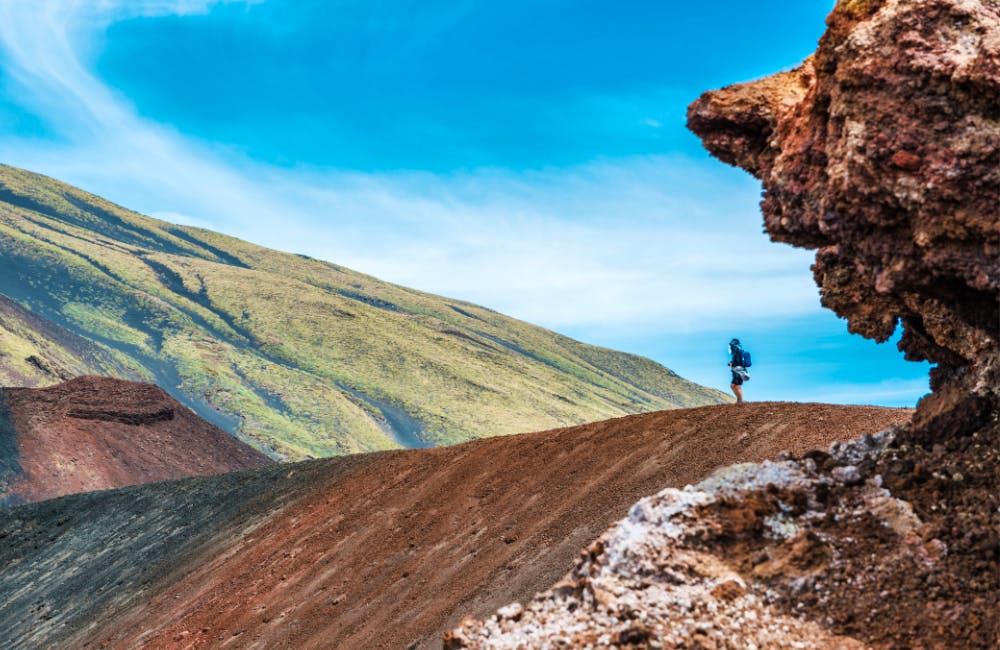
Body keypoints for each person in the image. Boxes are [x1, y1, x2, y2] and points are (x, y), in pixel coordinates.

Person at [728, 338, 749, 403]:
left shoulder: (737, 352)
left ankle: (740, 401)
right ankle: (739, 400)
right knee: (733, 386)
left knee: (737, 386)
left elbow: (738, 362)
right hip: (736, 371)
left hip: (739, 371)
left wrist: (732, 363)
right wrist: (731, 363)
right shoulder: (737, 352)